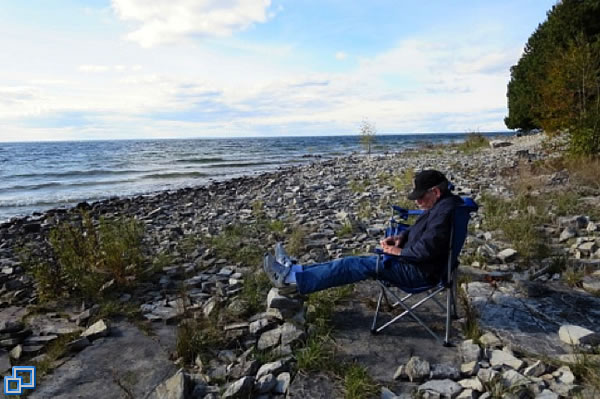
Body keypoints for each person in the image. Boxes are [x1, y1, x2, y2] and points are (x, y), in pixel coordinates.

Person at [263, 169, 464, 295]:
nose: (418, 202)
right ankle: (295, 272)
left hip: (417, 273)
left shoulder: (443, 213)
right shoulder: (443, 206)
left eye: (420, 197)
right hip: (416, 264)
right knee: (349, 262)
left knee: (351, 264)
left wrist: (397, 252)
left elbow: (427, 250)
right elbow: (421, 230)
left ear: (435, 192)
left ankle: (291, 281)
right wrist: (400, 238)